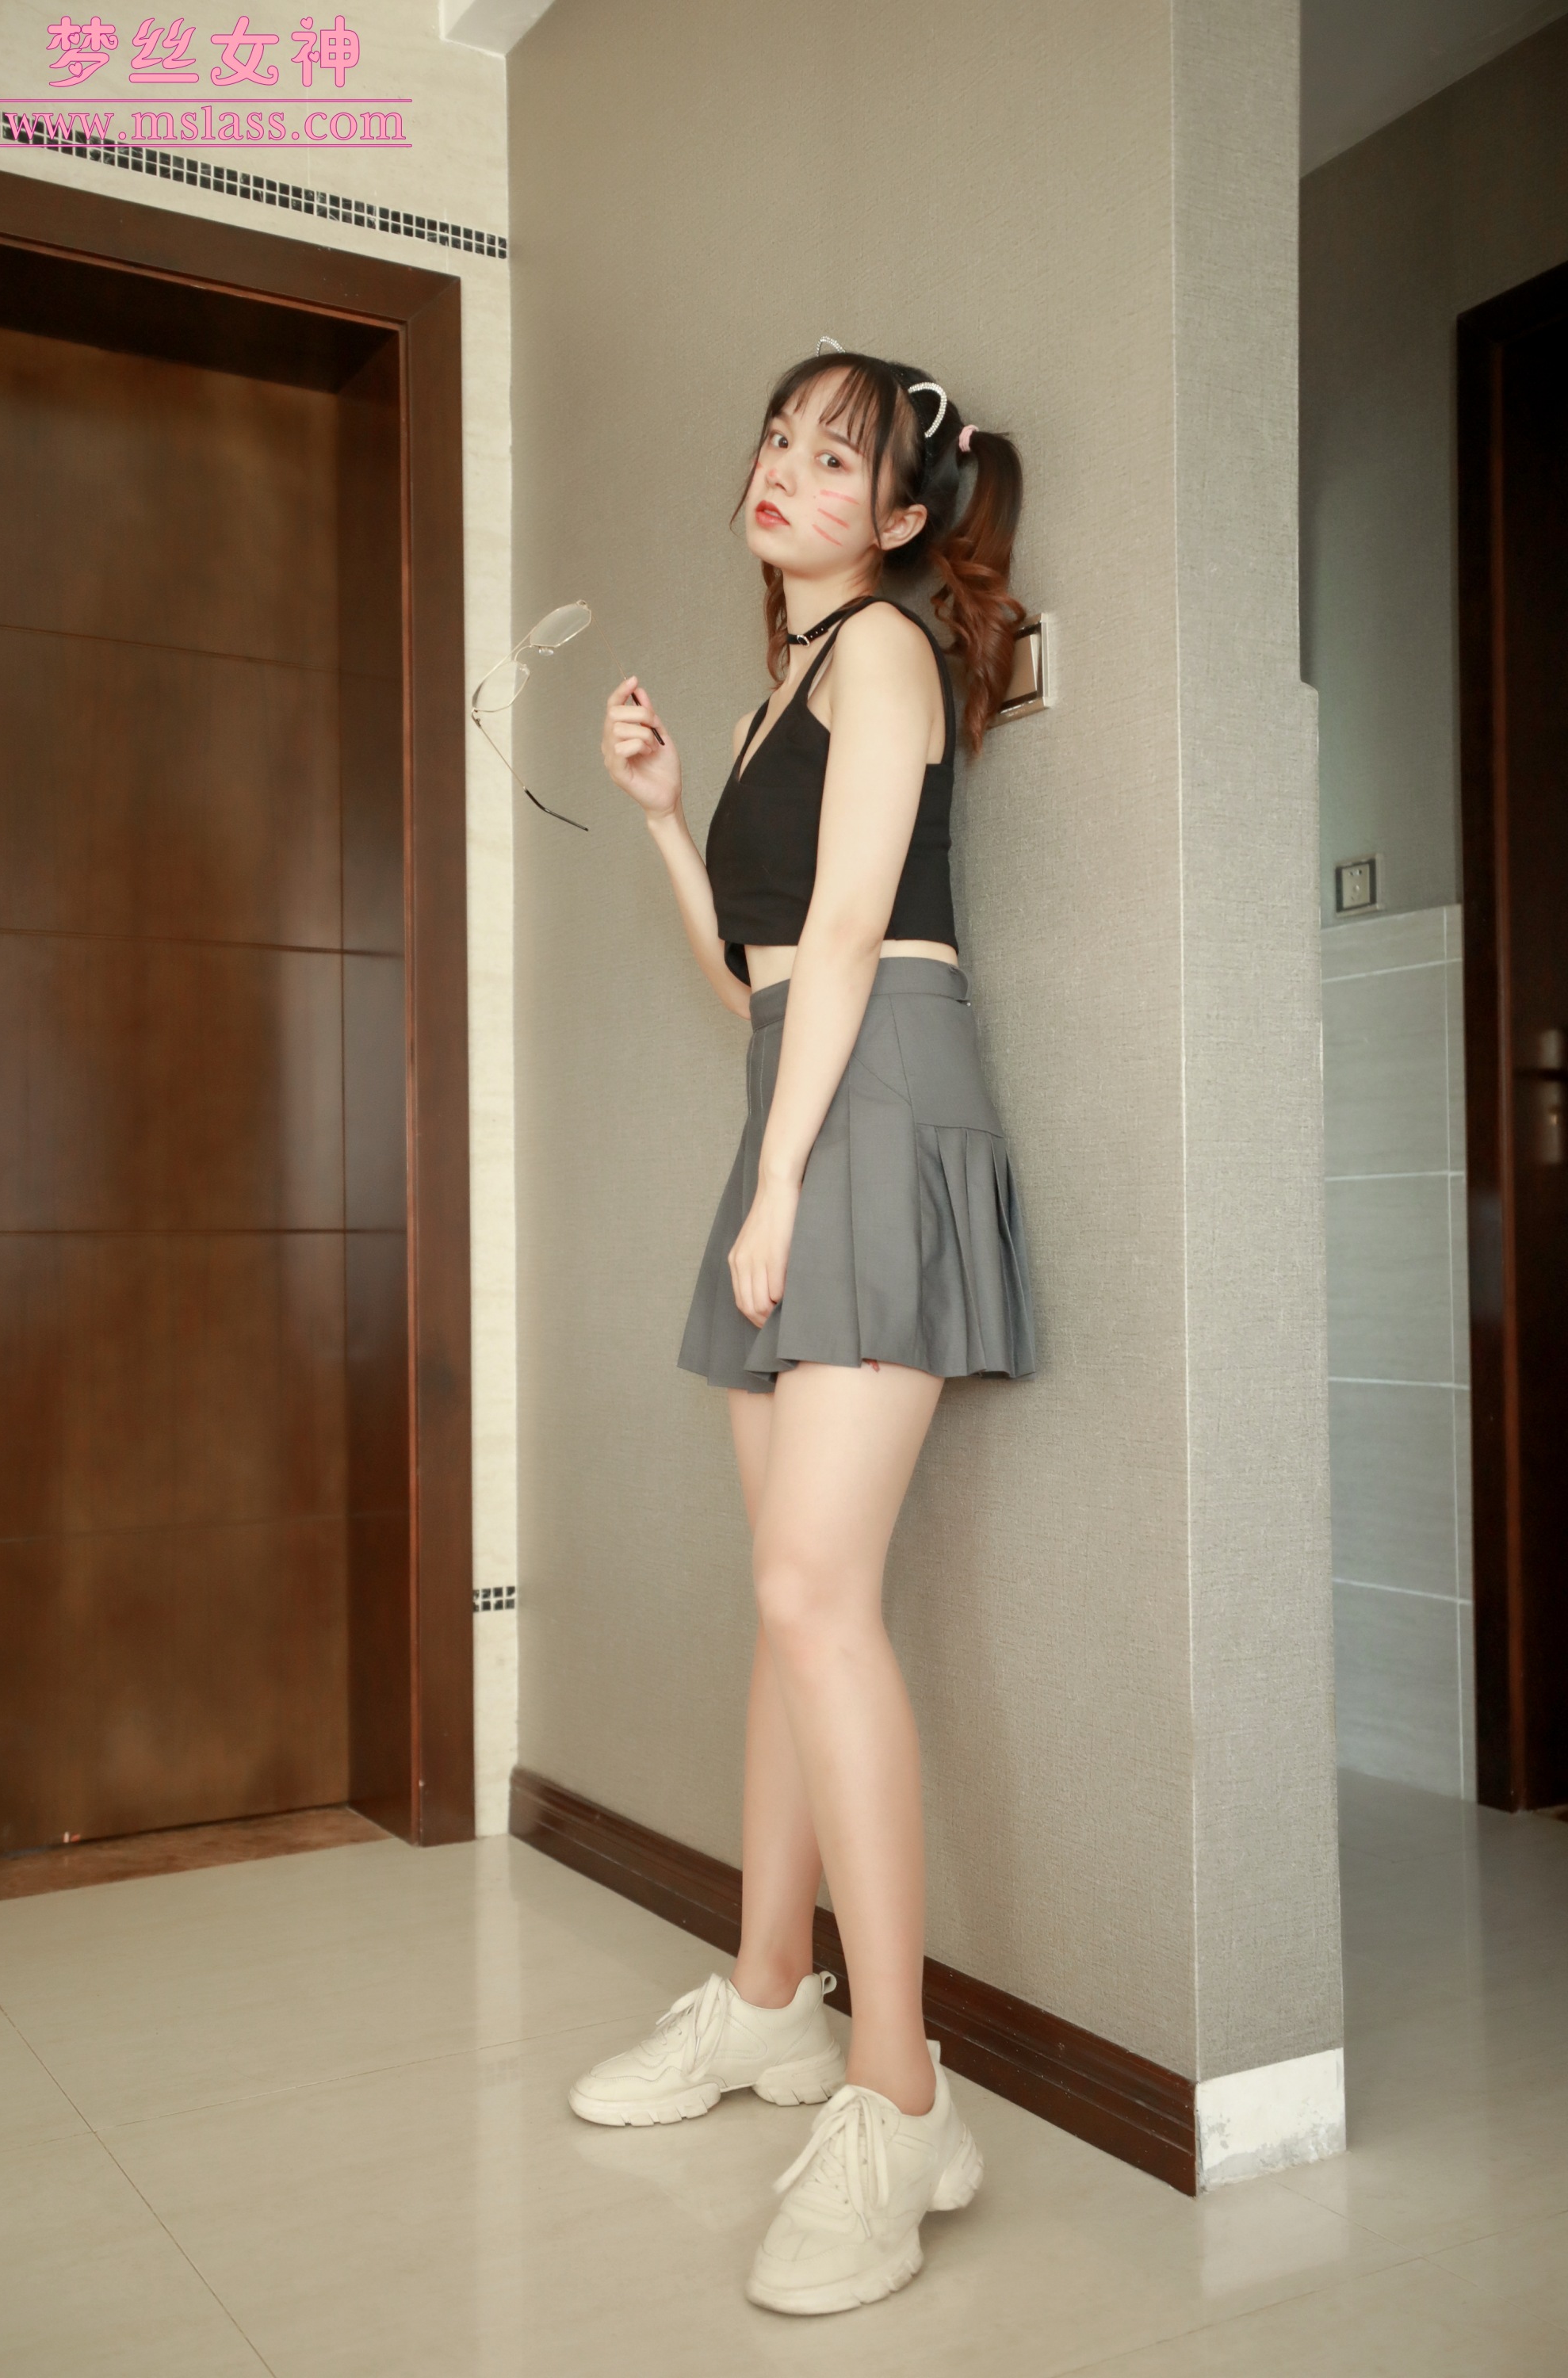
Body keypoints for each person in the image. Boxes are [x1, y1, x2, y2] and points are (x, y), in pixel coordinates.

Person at [570, 346, 1038, 2318]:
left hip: (876, 1099)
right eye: (777, 439)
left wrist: (775, 1183)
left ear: (902, 516)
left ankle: (900, 2096)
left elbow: (852, 941)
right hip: (803, 1083)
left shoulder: (887, 654)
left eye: (834, 459)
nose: (785, 472)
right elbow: (755, 969)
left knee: (812, 1591)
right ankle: (772, 1997)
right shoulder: (783, 683)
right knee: (789, 1597)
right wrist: (669, 816)